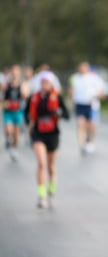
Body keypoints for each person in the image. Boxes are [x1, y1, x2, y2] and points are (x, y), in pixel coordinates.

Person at [25, 71, 70, 208]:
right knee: (41, 164)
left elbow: (67, 115)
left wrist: (57, 112)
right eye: (42, 82)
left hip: (52, 134)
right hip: (38, 133)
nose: (44, 85)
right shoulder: (34, 97)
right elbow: (26, 114)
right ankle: (41, 195)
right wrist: (29, 124)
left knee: (50, 166)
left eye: (47, 82)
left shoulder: (57, 97)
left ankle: (51, 190)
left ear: (51, 84)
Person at [69, 62, 105, 154]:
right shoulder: (75, 77)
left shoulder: (94, 78)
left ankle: (91, 141)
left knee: (91, 125)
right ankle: (82, 144)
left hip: (92, 105)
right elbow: (71, 89)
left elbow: (101, 92)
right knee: (80, 124)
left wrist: (97, 95)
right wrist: (71, 96)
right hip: (80, 104)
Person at [1, 64, 29, 161]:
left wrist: (22, 90)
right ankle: (8, 139)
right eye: (13, 71)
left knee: (16, 133)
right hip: (8, 111)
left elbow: (26, 96)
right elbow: (2, 95)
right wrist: (3, 102)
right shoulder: (6, 84)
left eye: (16, 71)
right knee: (9, 129)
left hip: (18, 111)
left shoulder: (22, 84)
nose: (14, 73)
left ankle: (14, 148)